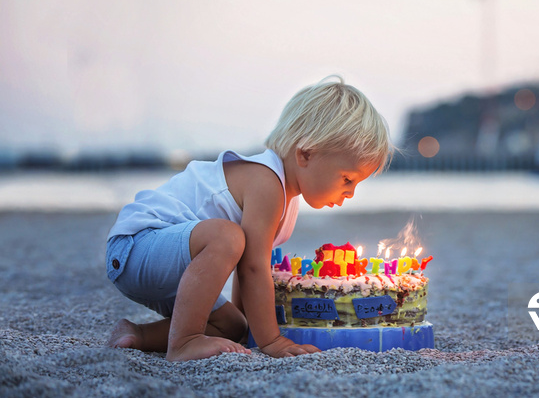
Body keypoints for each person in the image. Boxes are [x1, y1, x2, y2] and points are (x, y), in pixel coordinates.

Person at [105, 75, 393, 361]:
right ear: (305, 154)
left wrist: (251, 331)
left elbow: (249, 265)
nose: (350, 193)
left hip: (171, 268)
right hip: (138, 246)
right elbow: (253, 269)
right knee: (228, 236)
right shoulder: (265, 181)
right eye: (347, 179)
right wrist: (271, 341)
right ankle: (184, 342)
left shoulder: (284, 197)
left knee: (233, 326)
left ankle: (138, 335)